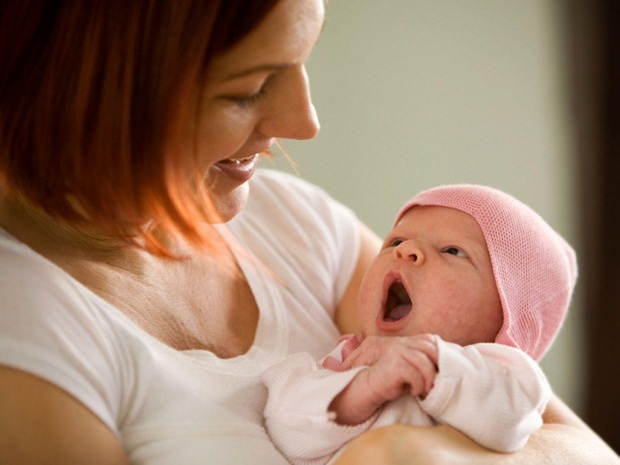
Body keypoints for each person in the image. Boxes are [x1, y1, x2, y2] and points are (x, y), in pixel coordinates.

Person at [0, 1, 617, 464]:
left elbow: (590, 454)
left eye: (301, 63)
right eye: (247, 90)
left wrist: (408, 455)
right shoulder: (27, 327)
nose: (304, 122)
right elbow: (300, 412)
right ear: (88, 91)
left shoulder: (292, 222)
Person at [262, 184, 576, 464]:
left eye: (452, 251)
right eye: (396, 240)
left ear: (506, 316)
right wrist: (360, 391)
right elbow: (288, 431)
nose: (405, 250)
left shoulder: (507, 375)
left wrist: (434, 363)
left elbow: (510, 423)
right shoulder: (345, 363)